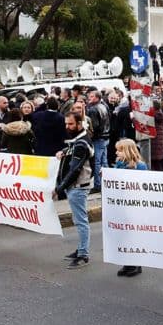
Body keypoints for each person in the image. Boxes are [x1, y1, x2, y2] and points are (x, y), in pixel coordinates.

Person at [56, 111, 94, 269]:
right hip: (76, 186)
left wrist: (60, 188)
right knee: (79, 220)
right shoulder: (78, 140)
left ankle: (83, 254)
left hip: (78, 187)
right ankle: (80, 250)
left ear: (79, 124)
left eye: (70, 124)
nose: (67, 127)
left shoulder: (81, 143)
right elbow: (72, 151)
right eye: (66, 124)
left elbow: (75, 170)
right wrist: (64, 152)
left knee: (81, 221)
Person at [114, 138, 147, 277]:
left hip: (135, 207)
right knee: (124, 235)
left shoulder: (140, 166)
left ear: (127, 151)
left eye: (119, 150)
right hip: (122, 205)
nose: (116, 153)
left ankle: (136, 264)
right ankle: (127, 263)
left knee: (134, 235)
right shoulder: (119, 164)